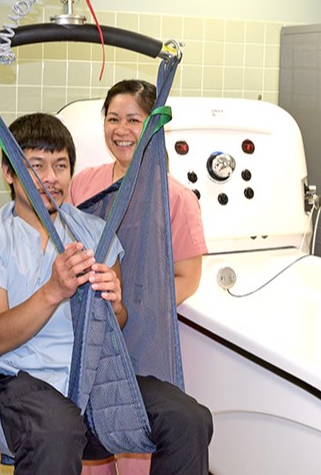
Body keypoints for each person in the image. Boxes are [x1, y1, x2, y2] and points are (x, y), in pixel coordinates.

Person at [0, 113, 212, 475]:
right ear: (9, 173)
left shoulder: (94, 231)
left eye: (60, 165)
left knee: (188, 418)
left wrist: (116, 304)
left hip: (95, 376)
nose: (50, 178)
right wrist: (53, 292)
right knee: (58, 430)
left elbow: (116, 322)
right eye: (36, 165)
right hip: (24, 379)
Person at [68, 79, 208, 475]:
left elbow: (189, 277)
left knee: (136, 448)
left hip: (143, 339)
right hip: (93, 334)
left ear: (153, 126)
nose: (121, 130)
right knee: (91, 451)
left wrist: (134, 306)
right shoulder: (85, 184)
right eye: (113, 119)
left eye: (133, 119)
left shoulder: (175, 198)